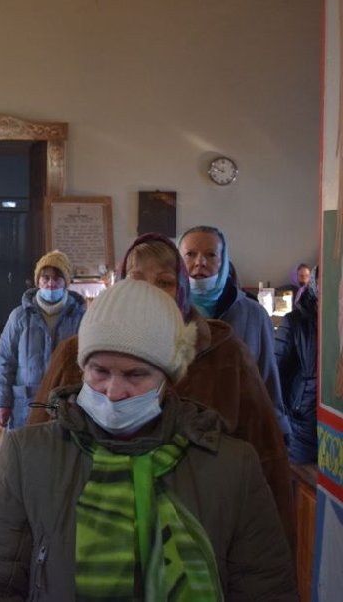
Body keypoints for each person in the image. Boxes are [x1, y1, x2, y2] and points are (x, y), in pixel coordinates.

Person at [0, 279, 297, 600]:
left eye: (136, 374)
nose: (114, 391)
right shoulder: (27, 457)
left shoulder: (232, 467)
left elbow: (265, 588)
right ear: (82, 368)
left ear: (168, 377)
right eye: (100, 371)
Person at [28, 233, 294, 544]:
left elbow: (267, 461)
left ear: (181, 290)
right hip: (89, 525)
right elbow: (39, 444)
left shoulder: (225, 356)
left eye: (164, 282)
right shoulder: (75, 354)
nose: (149, 293)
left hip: (197, 531)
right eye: (136, 280)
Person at [178, 225, 291, 438]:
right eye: (190, 254)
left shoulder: (254, 314)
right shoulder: (168, 311)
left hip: (239, 434)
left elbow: (267, 379)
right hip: (179, 437)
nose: (200, 262)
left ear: (223, 261)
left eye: (210, 255)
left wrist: (279, 430)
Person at [0, 249, 85, 430]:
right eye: (45, 278)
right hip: (25, 403)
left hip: (65, 404)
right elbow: (5, 361)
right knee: (25, 446)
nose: (50, 284)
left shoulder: (80, 317)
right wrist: (2, 402)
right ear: (38, 281)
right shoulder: (19, 317)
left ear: (66, 282)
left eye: (57, 278)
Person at [276, 267, 318, 464]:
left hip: (332, 417)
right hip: (303, 421)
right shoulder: (295, 321)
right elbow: (277, 372)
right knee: (303, 475)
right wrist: (288, 414)